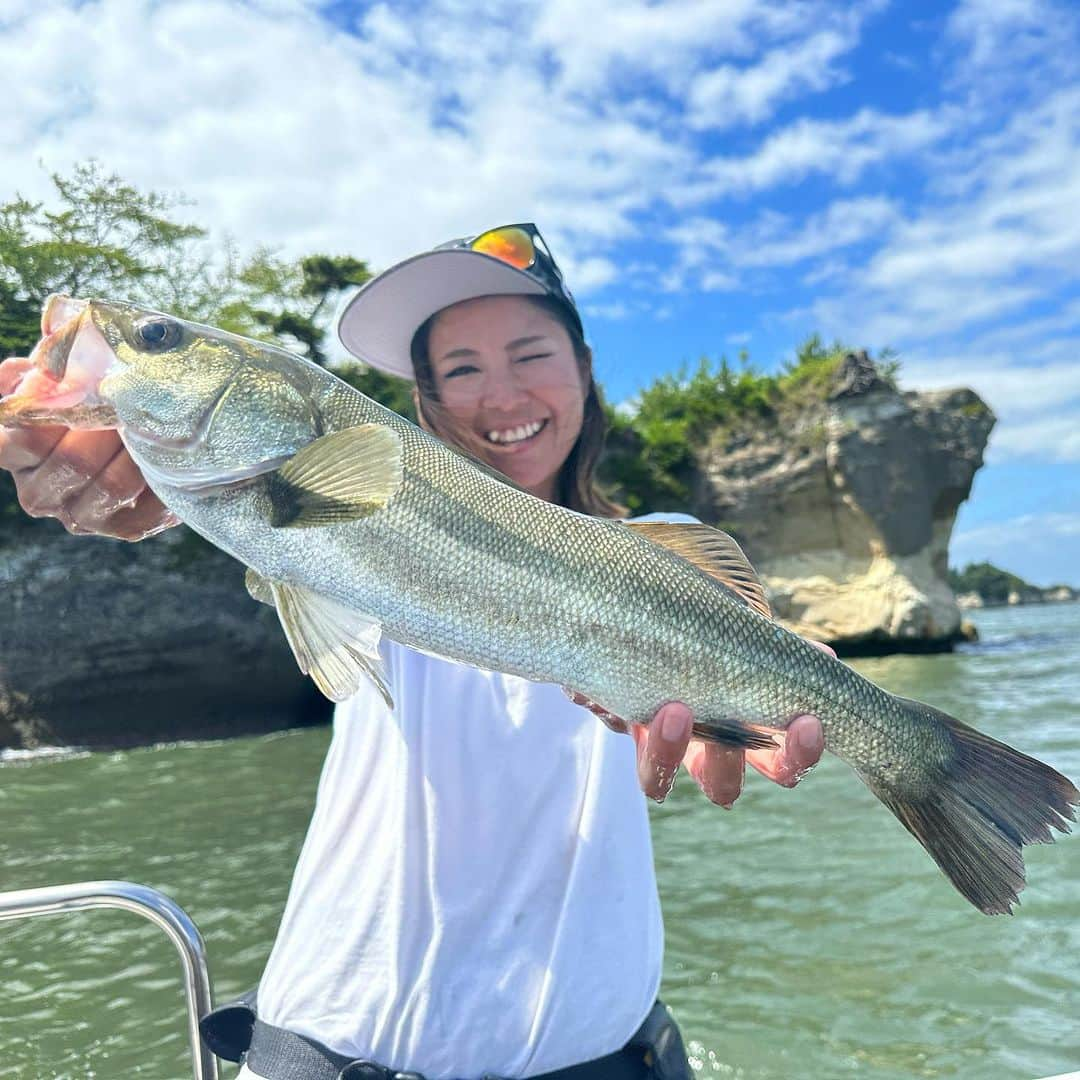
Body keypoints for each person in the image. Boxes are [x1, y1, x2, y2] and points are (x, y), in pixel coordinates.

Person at [0, 224, 827, 1079]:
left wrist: (787, 697)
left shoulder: (668, 551)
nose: (500, 395)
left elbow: (761, 648)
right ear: (424, 401)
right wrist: (124, 483)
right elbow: (239, 506)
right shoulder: (348, 505)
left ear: (584, 370)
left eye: (530, 354)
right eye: (460, 369)